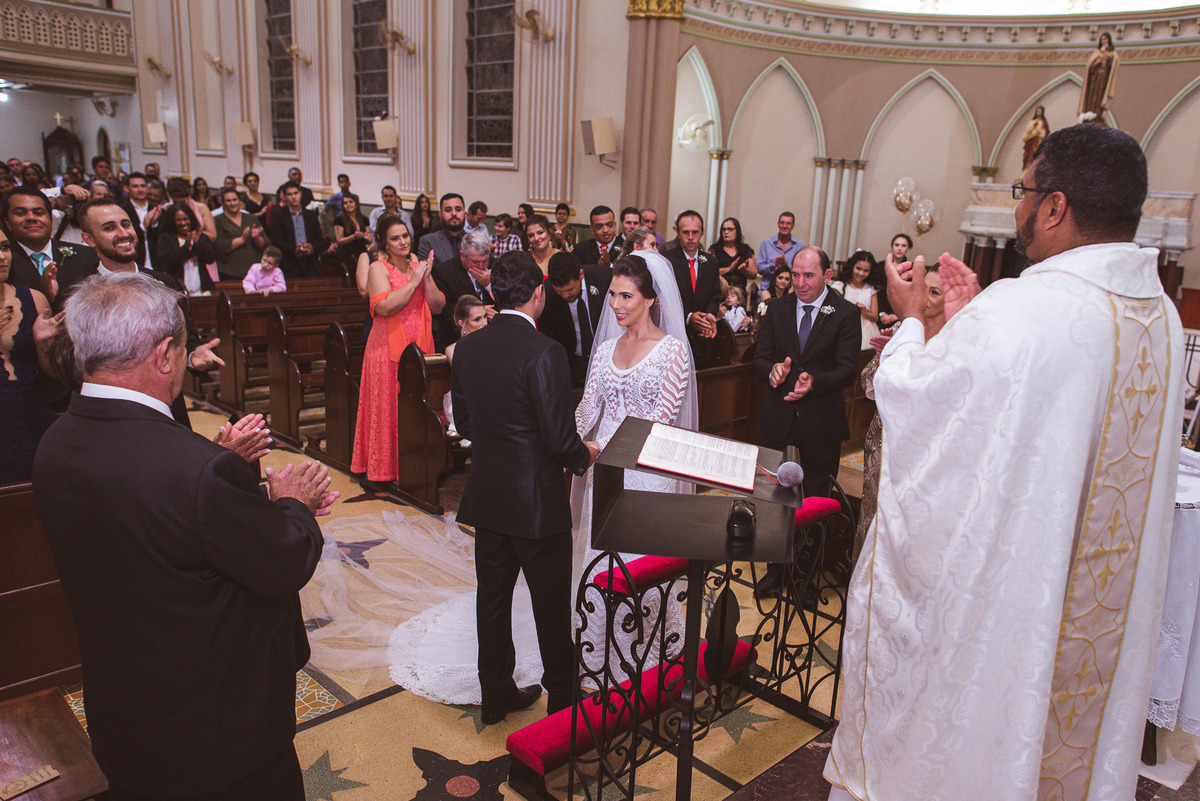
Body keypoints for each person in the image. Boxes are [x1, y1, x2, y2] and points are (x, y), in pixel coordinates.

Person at [825, 125, 1184, 801]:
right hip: (1079, 627)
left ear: (1054, 207)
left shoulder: (1024, 309)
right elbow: (1024, 418)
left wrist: (910, 320)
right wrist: (968, 321)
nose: (1017, 208)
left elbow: (915, 399)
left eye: (1023, 192)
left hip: (1010, 614)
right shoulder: (1158, 314)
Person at [33, 272, 336, 801]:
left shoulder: (56, 441)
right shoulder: (195, 470)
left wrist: (232, 486)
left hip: (124, 709)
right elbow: (283, 561)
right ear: (167, 353)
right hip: (217, 731)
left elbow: (151, 528)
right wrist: (293, 503)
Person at [451, 250, 599, 722]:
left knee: (491, 601)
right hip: (536, 503)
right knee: (550, 606)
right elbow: (559, 439)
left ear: (494, 293)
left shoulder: (468, 347)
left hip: (488, 496)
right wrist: (585, 455)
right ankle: (561, 701)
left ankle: (495, 695)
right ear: (538, 294)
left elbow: (467, 422)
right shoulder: (545, 351)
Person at [572, 253, 698, 681]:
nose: (616, 304)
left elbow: (661, 420)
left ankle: (650, 656)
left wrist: (602, 449)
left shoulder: (672, 352)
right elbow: (587, 406)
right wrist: (571, 443)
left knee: (642, 568)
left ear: (651, 300)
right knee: (602, 563)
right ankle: (600, 651)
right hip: (601, 473)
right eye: (612, 294)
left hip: (647, 474)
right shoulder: (606, 348)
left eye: (626, 296)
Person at [752, 246, 860, 600]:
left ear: (827, 276)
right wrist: (772, 370)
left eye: (808, 275)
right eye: (795, 274)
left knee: (813, 501)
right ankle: (775, 572)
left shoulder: (844, 313)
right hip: (778, 418)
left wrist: (814, 381)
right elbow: (760, 357)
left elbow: (847, 369)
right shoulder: (777, 308)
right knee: (774, 499)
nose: (799, 283)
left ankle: (803, 577)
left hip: (820, 424)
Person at [351, 216, 444, 483]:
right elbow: (384, 307)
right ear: (384, 242)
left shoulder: (417, 265)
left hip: (420, 343)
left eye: (405, 235)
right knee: (390, 407)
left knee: (419, 406)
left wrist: (424, 278)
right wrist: (413, 282)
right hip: (387, 347)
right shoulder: (378, 268)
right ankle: (387, 469)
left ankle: (420, 464)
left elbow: (437, 306)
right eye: (395, 238)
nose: (403, 241)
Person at [0, 227, 61, 483]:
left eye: (4, 247)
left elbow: (52, 373)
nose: (2, 256)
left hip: (31, 414)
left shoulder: (33, 298)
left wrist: (44, 345)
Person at [3, 186, 100, 311]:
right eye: (21, 213)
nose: (31, 218)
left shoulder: (84, 255)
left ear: (50, 219)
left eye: (39, 213)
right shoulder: (4, 259)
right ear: (7, 222)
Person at [540, 250, 613, 386]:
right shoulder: (547, 293)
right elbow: (547, 335)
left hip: (607, 357)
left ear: (581, 275)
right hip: (571, 361)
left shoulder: (604, 278)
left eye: (570, 289)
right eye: (559, 292)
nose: (565, 296)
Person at [663, 209, 722, 369]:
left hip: (702, 341)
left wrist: (709, 316)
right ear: (676, 231)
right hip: (673, 339)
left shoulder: (711, 262)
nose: (690, 237)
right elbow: (663, 301)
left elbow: (714, 296)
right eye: (685, 232)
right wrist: (688, 317)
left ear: (702, 232)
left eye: (695, 232)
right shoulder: (667, 261)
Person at [431, 230, 495, 353]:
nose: (481, 266)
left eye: (485, 260)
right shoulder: (444, 272)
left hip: (491, 339)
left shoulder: (496, 266)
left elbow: (506, 300)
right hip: (457, 341)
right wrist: (474, 312)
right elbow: (443, 310)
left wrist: (488, 285)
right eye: (475, 262)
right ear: (462, 256)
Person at [268, 180, 327, 278]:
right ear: (285, 196)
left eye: (295, 193)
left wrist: (311, 247)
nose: (293, 197)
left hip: (310, 264)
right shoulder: (277, 215)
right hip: (289, 264)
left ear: (300, 193)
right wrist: (296, 249)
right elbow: (276, 240)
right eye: (289, 194)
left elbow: (320, 240)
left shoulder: (311, 215)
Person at [157, 203, 218, 295]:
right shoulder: (166, 238)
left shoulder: (200, 236)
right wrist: (187, 247)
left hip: (202, 291)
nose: (183, 223)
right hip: (177, 291)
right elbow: (168, 261)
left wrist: (197, 245)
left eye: (185, 219)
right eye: (179, 220)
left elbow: (210, 258)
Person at [213, 187, 268, 281]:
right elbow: (220, 245)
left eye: (235, 200)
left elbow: (266, 243)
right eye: (228, 200)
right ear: (222, 203)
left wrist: (256, 238)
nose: (232, 203)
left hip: (254, 269)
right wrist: (242, 239)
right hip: (230, 271)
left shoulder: (251, 218)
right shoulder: (218, 220)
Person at [830, 249, 880, 349]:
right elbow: (833, 312)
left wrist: (864, 311)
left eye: (866, 271)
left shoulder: (871, 289)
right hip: (845, 328)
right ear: (852, 266)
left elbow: (875, 317)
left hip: (867, 330)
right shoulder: (840, 286)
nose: (861, 273)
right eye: (858, 268)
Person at [756, 211, 804, 295]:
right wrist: (774, 265)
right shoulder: (766, 243)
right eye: (782, 223)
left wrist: (785, 264)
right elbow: (759, 269)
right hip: (767, 292)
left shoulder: (799, 245)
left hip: (790, 293)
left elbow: (801, 271)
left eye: (788, 223)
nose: (784, 226)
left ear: (793, 226)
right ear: (778, 224)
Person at [709, 216, 758, 294]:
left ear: (737, 231)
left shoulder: (745, 249)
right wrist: (729, 269)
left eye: (730, 229)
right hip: (720, 292)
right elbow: (709, 272)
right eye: (724, 229)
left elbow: (754, 274)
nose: (726, 232)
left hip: (740, 294)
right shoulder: (714, 249)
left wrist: (744, 270)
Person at [417, 192, 467, 265]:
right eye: (448, 210)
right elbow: (427, 274)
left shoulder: (475, 242)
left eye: (458, 209)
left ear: (465, 214)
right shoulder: (428, 242)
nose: (454, 213)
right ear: (440, 215)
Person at [1079, 31, 1118, 124]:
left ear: (1108, 40)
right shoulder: (1097, 52)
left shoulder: (1112, 53)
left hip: (1103, 77)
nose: (1103, 40)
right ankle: (1089, 111)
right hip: (1094, 77)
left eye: (1105, 38)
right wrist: (1096, 63)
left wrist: (1108, 58)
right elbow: (1090, 66)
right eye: (1102, 39)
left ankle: (1098, 113)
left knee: (1100, 95)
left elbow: (1113, 65)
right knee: (1092, 94)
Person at [877, 233, 911, 326]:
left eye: (903, 245)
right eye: (897, 245)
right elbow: (876, 291)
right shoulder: (880, 266)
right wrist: (881, 313)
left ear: (908, 248)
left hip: (900, 315)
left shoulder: (911, 269)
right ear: (892, 246)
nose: (899, 248)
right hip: (880, 312)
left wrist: (898, 315)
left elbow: (910, 296)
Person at [334, 194, 372, 270]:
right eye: (345, 203)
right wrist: (354, 236)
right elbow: (339, 240)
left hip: (362, 253)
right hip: (347, 255)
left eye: (350, 202)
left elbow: (368, 237)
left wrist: (368, 237)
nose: (348, 204)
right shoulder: (339, 220)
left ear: (356, 203)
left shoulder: (364, 219)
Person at [1022, 105, 1050, 171]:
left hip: (1039, 142)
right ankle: (1028, 170)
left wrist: (1040, 131)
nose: (1039, 112)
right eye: (1038, 111)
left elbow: (1046, 133)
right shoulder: (1032, 122)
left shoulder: (1044, 122)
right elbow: (1026, 133)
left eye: (1040, 111)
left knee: (1038, 156)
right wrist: (1032, 131)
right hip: (1031, 142)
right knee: (1029, 157)